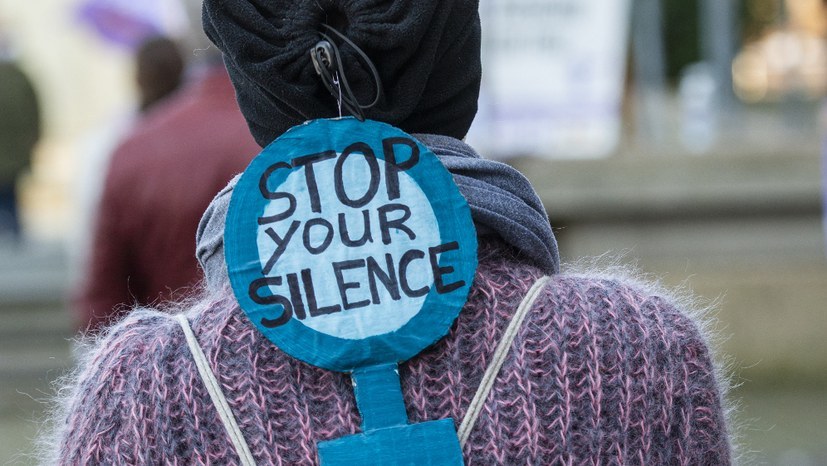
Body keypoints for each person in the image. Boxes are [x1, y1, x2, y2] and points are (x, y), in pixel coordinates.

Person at [46, 0, 733, 463]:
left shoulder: (140, 393)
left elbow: (96, 296)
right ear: (462, 58)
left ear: (250, 75)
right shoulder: (640, 351)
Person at [72, 41, 259, 332]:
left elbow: (103, 298)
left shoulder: (131, 150)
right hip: (275, 355)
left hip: (167, 356)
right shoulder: (285, 138)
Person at [0, 31, 40, 241]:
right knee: (11, 196)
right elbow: (35, 113)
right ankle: (15, 234)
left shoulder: (19, 77)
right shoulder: (20, 76)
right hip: (15, 152)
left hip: (11, 150)